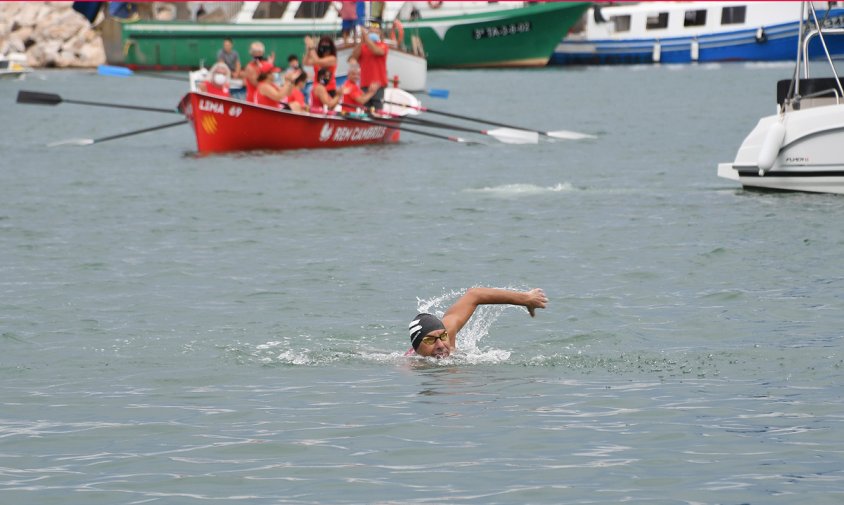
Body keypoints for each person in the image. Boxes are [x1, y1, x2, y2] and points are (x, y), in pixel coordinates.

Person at [407, 288, 548, 359]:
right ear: (417, 347)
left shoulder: (447, 332)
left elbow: (474, 295)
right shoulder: (411, 366)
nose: (440, 345)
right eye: (430, 340)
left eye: (442, 337)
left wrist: (526, 299)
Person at [351, 22, 388, 106]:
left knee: (377, 111)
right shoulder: (363, 47)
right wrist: (362, 41)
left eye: (376, 32)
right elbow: (354, 57)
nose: (373, 34)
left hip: (378, 85)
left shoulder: (383, 46)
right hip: (364, 84)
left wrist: (367, 39)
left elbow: (377, 51)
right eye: (371, 32)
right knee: (365, 111)